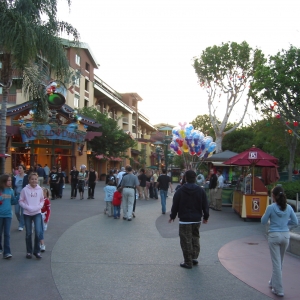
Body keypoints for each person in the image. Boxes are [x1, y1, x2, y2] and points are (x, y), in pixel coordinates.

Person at [261, 186, 298, 297]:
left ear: (273, 196)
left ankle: (279, 289)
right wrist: (285, 225)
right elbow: (295, 222)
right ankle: (273, 282)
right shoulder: (289, 208)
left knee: (276, 263)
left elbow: (263, 221)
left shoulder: (271, 208)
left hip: (274, 236)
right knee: (279, 262)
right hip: (285, 236)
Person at [169, 170, 209, 269]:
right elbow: (205, 205)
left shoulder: (180, 190)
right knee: (195, 238)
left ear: (185, 178)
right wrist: (206, 217)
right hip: (196, 219)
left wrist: (172, 216)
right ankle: (194, 257)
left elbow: (175, 205)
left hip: (185, 219)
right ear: (195, 178)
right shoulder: (200, 190)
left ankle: (188, 261)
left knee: (186, 240)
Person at [19, 172, 44, 259]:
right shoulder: (24, 190)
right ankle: (29, 251)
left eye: (35, 179)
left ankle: (36, 251)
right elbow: (20, 201)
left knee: (38, 232)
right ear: (29, 180)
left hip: (37, 213)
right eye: (32, 179)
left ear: (37, 180)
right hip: (27, 213)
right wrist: (27, 207)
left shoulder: (40, 189)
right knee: (28, 233)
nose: (34, 181)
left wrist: (38, 207)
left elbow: (42, 200)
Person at [0, 174, 17, 259]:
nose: (10, 182)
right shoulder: (0, 190)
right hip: (0, 215)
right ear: (4, 181)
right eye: (8, 180)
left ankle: (7, 252)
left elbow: (12, 201)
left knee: (7, 234)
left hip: (8, 215)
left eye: (11, 180)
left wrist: (18, 198)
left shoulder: (11, 190)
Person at [12, 165, 29, 231]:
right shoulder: (15, 177)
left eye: (20, 168)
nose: (19, 169)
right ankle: (21, 221)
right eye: (18, 168)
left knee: (22, 211)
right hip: (17, 195)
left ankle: (21, 225)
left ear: (23, 169)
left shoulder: (26, 177)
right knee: (16, 211)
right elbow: (13, 186)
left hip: (23, 196)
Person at [40, 188, 51, 252]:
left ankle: (41, 243)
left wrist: (47, 218)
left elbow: (48, 210)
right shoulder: (38, 199)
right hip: (38, 215)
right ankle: (40, 243)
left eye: (44, 193)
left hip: (43, 216)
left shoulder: (47, 201)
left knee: (41, 230)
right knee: (38, 230)